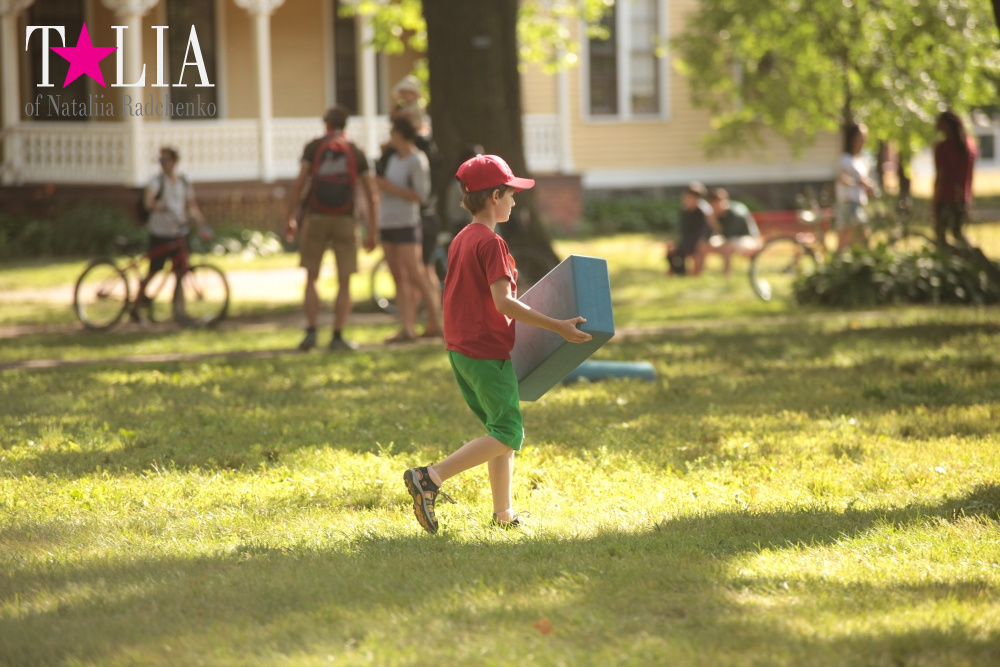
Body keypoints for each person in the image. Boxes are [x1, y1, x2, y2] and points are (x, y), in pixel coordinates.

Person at [402, 154, 593, 534]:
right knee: (508, 433)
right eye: (511, 194)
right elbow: (503, 302)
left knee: (498, 431)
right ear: (494, 196)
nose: (515, 202)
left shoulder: (462, 238)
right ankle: (430, 477)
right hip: (486, 352)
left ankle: (503, 514)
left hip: (461, 351)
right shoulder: (492, 244)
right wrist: (558, 327)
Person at [284, 106, 379, 351]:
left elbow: (298, 185)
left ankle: (312, 332)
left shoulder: (314, 147)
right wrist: (373, 230)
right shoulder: (356, 151)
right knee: (345, 280)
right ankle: (338, 335)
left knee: (311, 276)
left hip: (316, 217)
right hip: (346, 219)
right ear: (345, 125)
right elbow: (372, 194)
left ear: (325, 123)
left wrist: (290, 218)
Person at [376, 116, 442, 342]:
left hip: (406, 224)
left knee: (416, 274)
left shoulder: (417, 160)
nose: (389, 136)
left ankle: (437, 323)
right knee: (398, 277)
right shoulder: (393, 159)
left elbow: (421, 196)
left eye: (392, 132)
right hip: (387, 223)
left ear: (401, 134)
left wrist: (390, 188)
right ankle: (407, 328)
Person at [131, 146, 211, 322]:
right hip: (160, 233)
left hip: (179, 232)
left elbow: (191, 205)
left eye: (164, 160)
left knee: (181, 273)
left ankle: (180, 311)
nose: (162, 164)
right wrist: (156, 205)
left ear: (174, 162)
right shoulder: (156, 182)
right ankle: (136, 307)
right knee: (153, 271)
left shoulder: (183, 182)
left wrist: (200, 224)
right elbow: (148, 202)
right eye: (160, 161)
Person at [932, 110, 978, 247]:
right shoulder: (969, 145)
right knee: (957, 233)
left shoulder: (943, 148)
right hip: (962, 197)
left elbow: (941, 177)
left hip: (946, 197)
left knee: (941, 235)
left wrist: (934, 203)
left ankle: (948, 263)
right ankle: (970, 257)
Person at [835, 122, 876, 251]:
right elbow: (842, 178)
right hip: (848, 204)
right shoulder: (845, 159)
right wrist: (858, 183)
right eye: (861, 136)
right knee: (846, 241)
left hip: (858, 204)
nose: (864, 140)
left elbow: (863, 180)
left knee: (858, 241)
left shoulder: (859, 160)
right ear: (853, 138)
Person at [705, 188, 762, 275]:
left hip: (750, 239)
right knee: (702, 244)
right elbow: (710, 235)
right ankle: (697, 275)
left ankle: (726, 275)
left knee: (728, 246)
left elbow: (727, 235)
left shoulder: (735, 212)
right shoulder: (717, 213)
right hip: (732, 240)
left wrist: (713, 222)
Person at [666, 181, 714, 276]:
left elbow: (708, 228)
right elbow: (682, 228)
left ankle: (692, 274)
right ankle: (680, 273)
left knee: (698, 248)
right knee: (672, 250)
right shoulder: (685, 210)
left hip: (698, 239)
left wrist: (703, 240)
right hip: (687, 238)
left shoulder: (704, 210)